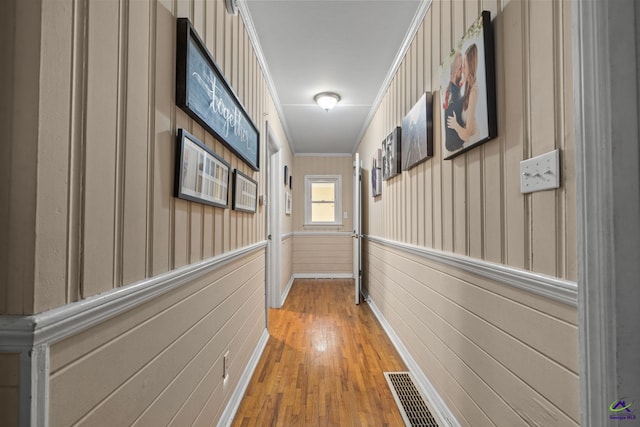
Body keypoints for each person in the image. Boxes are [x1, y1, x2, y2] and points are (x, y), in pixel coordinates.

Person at [447, 43, 478, 145]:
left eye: (464, 66)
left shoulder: (473, 90)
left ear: (470, 65)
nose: (462, 70)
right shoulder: (466, 87)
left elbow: (466, 135)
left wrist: (455, 125)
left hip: (473, 140)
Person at [443, 52, 465, 151]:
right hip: (455, 145)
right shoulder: (453, 93)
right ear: (455, 71)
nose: (462, 71)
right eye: (461, 68)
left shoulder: (452, 90)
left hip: (454, 145)